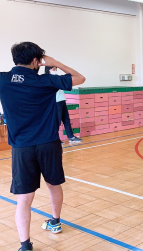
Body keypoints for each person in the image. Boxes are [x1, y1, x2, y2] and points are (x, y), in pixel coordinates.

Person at [0, 42, 85, 251]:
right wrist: (56, 63)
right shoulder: (46, 81)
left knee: (24, 198)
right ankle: (55, 221)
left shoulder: (2, 79)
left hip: (22, 147)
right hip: (49, 144)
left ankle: (25, 245)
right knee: (53, 185)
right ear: (36, 61)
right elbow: (80, 78)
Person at [45, 67, 82, 144]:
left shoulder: (56, 77)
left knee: (66, 119)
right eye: (53, 68)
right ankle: (55, 138)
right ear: (49, 69)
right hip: (56, 101)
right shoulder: (49, 78)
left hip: (62, 100)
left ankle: (71, 136)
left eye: (55, 68)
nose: (55, 70)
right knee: (57, 121)